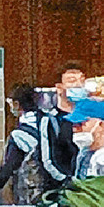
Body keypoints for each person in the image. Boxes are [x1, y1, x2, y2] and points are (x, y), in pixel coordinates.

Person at [0, 83, 45, 207]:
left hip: (26, 201)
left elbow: (8, 169)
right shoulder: (46, 123)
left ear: (17, 104)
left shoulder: (20, 135)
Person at [39, 63, 87, 191]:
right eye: (72, 81)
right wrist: (67, 181)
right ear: (59, 88)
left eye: (82, 80)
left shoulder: (91, 117)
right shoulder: (51, 120)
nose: (78, 85)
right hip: (61, 189)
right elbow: (47, 161)